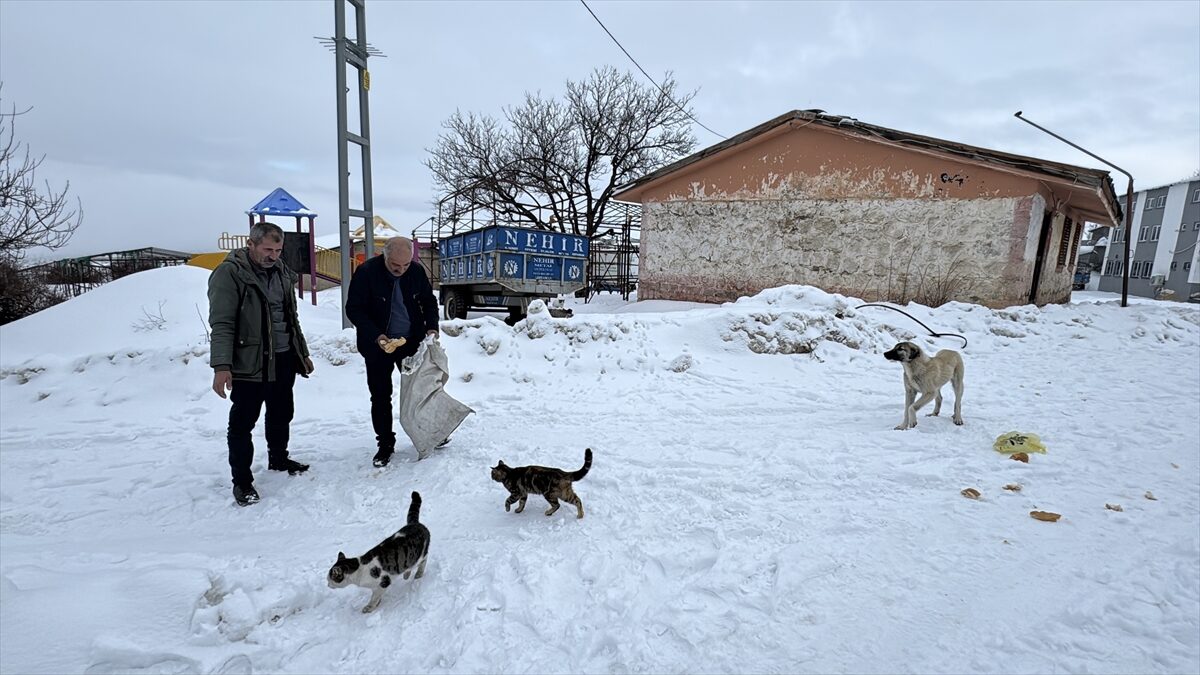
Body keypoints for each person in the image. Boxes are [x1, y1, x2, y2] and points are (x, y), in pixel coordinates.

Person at [208, 222, 314, 506]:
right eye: (268, 249)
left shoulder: (281, 272)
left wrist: (301, 352)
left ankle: (278, 458)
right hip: (249, 362)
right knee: (243, 422)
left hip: (283, 358)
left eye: (278, 250)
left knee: (282, 412)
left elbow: (291, 318)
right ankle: (242, 482)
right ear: (251, 245)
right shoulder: (230, 274)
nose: (273, 255)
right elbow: (222, 323)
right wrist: (221, 366)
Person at [346, 236, 440, 467]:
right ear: (384, 256)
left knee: (420, 390)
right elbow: (354, 309)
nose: (401, 270)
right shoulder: (367, 272)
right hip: (378, 345)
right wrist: (376, 335)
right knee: (380, 395)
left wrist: (431, 328)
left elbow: (428, 301)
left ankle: (428, 432)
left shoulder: (416, 272)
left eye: (406, 265)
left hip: (410, 342)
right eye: (395, 266)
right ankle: (385, 443)